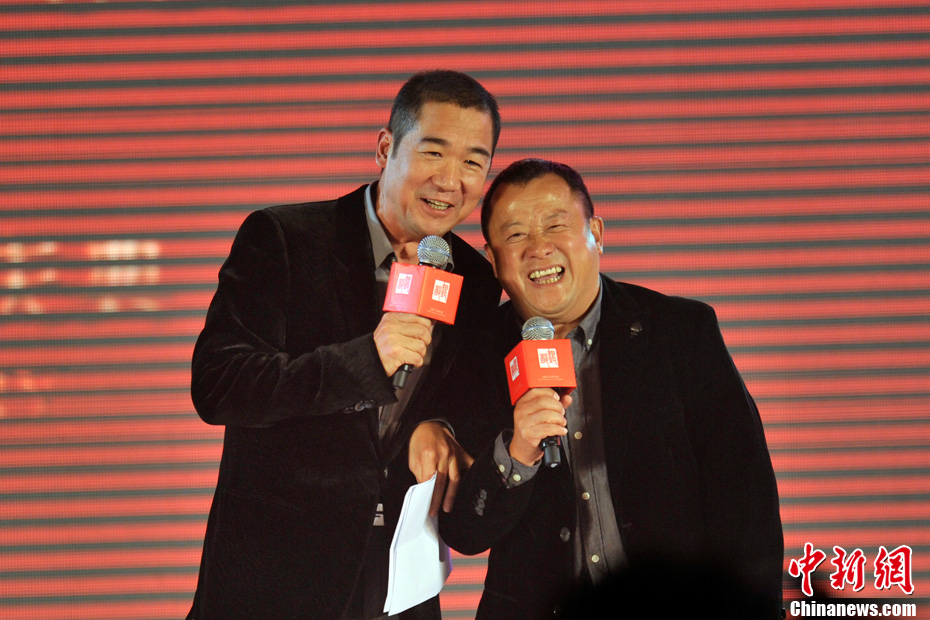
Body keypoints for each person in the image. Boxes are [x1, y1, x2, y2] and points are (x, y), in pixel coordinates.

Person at [186, 70, 502, 620]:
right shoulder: (285, 239)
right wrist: (365, 361)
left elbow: (466, 401)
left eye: (473, 163)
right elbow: (220, 384)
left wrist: (444, 425)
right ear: (384, 148)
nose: (451, 180)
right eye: (433, 153)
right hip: (274, 582)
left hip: (397, 588)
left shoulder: (473, 280)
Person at [439, 159, 784, 619]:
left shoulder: (680, 332)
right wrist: (517, 453)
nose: (539, 248)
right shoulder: (474, 355)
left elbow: (746, 501)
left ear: (596, 234)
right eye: (516, 234)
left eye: (556, 225)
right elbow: (464, 532)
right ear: (494, 260)